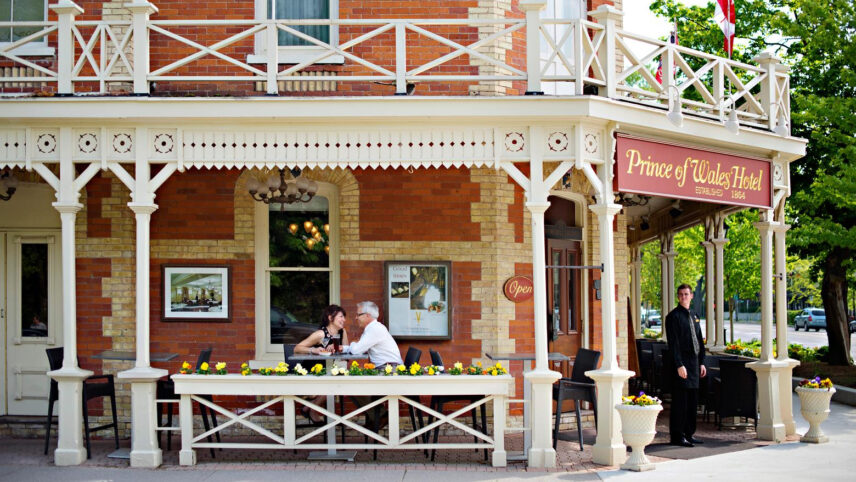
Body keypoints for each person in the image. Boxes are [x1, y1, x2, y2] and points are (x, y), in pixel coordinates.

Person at [665, 283, 706, 447]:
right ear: (678, 296)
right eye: (681, 294)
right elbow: (673, 344)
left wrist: (702, 362)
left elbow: (700, 341)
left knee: (692, 402)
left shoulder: (695, 315)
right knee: (680, 402)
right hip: (681, 364)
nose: (683, 297)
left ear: (691, 296)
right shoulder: (673, 317)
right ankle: (677, 435)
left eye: (686, 294)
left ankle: (689, 433)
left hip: (695, 364)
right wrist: (679, 365)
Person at [294, 305, 350, 422]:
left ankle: (309, 408)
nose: (344, 319)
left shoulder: (342, 332)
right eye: (341, 316)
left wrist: (339, 350)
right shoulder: (320, 334)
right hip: (315, 370)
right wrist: (313, 350)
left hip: (331, 369)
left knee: (339, 382)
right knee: (334, 384)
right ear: (330, 318)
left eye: (344, 317)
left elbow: (346, 353)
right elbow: (297, 348)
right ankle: (312, 409)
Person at [342, 301, 403, 367]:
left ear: (367, 315)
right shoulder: (373, 328)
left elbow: (355, 350)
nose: (356, 318)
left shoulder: (374, 329)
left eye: (358, 315)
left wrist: (353, 342)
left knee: (354, 375)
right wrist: (342, 348)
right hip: (386, 367)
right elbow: (359, 348)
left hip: (388, 370)